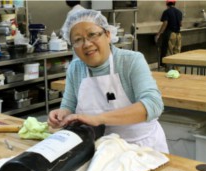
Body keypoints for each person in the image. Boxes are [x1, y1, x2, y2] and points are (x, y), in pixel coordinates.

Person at [48, 9, 169, 153]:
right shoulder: (75, 68)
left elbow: (153, 105)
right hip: (99, 150)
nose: (86, 44)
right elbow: (69, 104)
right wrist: (62, 113)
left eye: (92, 35)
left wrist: (99, 119)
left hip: (140, 148)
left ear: (107, 34)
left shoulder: (130, 61)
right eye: (78, 40)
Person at [155, 0, 182, 70]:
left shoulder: (166, 12)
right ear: (174, 3)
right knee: (177, 54)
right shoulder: (179, 12)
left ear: (167, 3)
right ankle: (177, 71)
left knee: (168, 54)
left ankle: (169, 71)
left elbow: (165, 23)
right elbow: (181, 24)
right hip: (178, 35)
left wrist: (158, 34)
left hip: (170, 35)